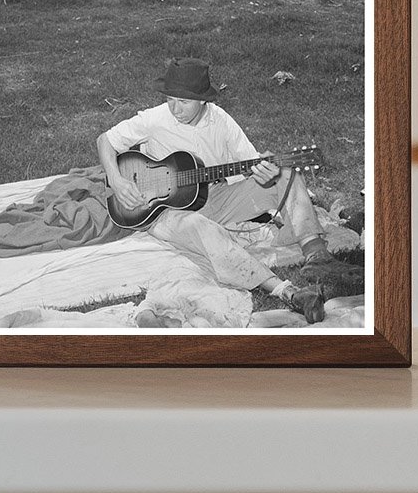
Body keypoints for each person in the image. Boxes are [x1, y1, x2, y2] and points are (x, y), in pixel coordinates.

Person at [96, 57, 360, 326]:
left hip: (214, 196)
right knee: (202, 228)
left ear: (202, 100)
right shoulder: (154, 119)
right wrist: (117, 181)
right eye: (170, 99)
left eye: (183, 101)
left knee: (285, 175)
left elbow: (250, 162)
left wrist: (265, 171)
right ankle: (287, 292)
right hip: (164, 212)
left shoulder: (221, 121)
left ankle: (316, 255)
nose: (175, 108)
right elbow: (105, 140)